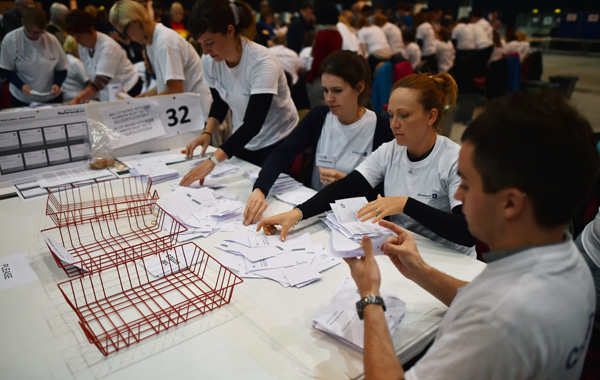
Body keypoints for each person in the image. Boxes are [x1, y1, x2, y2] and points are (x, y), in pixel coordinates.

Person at [344, 91, 599, 379]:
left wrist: (370, 297)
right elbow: (482, 294)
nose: (457, 194)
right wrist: (421, 271)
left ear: (510, 203)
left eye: (466, 183)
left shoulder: (498, 322)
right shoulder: (569, 261)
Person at [258, 73, 476, 256]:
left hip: (451, 258)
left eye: (404, 115)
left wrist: (405, 203)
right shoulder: (391, 150)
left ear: (431, 116)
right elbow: (347, 187)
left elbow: (467, 233)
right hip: (411, 250)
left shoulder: (454, 160)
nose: (394, 124)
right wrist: (296, 214)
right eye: (391, 115)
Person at [243, 50, 393, 225]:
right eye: (325, 90)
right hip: (313, 211)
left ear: (359, 88)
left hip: (356, 219)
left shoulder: (381, 129)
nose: (329, 98)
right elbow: (283, 153)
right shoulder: (319, 117)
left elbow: (386, 193)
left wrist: (350, 184)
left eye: (337, 91)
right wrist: (260, 189)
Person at [179, 0, 298, 186]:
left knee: (265, 191)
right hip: (246, 138)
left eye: (209, 43)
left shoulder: (262, 63)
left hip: (278, 137)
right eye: (201, 44)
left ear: (230, 31)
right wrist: (207, 132)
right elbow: (220, 102)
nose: (205, 51)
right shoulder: (209, 60)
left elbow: (253, 123)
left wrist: (213, 160)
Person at [108, 0, 212, 118]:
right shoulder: (151, 42)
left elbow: (175, 90)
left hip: (200, 114)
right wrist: (141, 97)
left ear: (134, 23)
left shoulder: (165, 41)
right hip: (188, 113)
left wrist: (140, 104)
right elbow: (168, 84)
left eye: (125, 34)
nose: (129, 39)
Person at [64, 9, 141, 104]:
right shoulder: (83, 47)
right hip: (108, 93)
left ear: (91, 30)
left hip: (128, 89)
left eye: (79, 36)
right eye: (74, 37)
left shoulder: (108, 47)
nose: (77, 41)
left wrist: (79, 98)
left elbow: (100, 82)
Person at [0, 7, 69, 107]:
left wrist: (57, 84)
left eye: (40, 31)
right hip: (23, 98)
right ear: (23, 22)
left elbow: (62, 69)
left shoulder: (51, 40)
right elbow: (6, 69)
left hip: (51, 97)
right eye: (31, 31)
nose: (36, 35)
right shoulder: (11, 39)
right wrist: (21, 85)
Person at [305, 3, 342, 109]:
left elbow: (317, 62)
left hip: (320, 80)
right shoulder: (337, 35)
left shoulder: (322, 35)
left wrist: (309, 79)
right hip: (333, 78)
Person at [61, 35, 89, 103]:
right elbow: (89, 82)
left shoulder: (63, 59)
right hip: (79, 99)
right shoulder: (76, 62)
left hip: (65, 98)